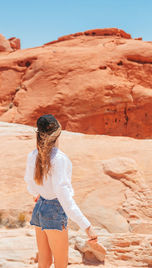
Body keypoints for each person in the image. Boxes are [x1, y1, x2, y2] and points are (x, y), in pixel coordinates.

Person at [24, 114, 97, 268]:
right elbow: (64, 198)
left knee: (44, 260)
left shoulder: (33, 155)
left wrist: (38, 194)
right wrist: (87, 227)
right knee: (61, 263)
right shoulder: (59, 159)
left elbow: (30, 184)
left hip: (40, 207)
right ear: (58, 134)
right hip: (54, 210)